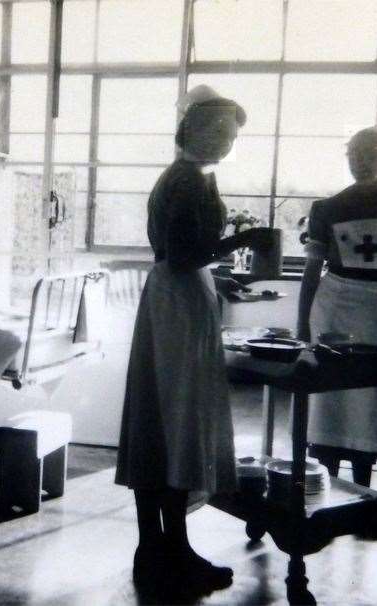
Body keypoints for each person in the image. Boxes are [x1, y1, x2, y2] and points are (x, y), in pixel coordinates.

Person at [114, 84, 274, 599]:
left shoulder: (188, 176)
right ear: (190, 129)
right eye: (218, 128)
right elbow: (184, 253)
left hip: (176, 294)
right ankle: (170, 550)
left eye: (232, 132)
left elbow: (179, 255)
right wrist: (243, 243)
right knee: (177, 419)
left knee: (160, 420)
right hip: (178, 300)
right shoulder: (186, 180)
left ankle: (155, 548)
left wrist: (216, 276)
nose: (226, 139)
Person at [297, 127, 377, 487]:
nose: (361, 162)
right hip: (333, 305)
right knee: (329, 398)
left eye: (369, 155)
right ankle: (326, 485)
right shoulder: (326, 208)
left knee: (368, 397)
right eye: (353, 155)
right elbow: (310, 273)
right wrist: (304, 327)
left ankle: (363, 491)